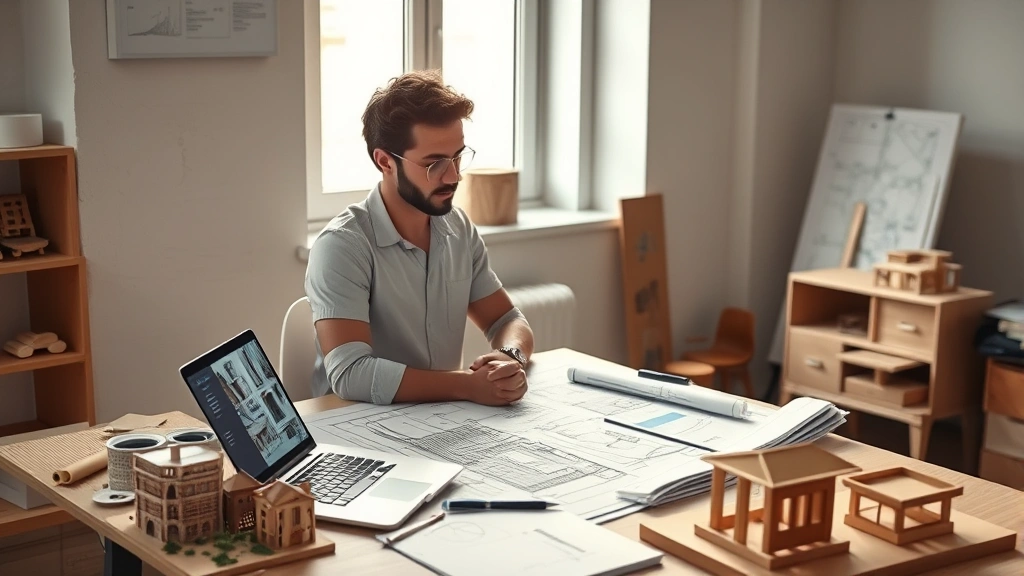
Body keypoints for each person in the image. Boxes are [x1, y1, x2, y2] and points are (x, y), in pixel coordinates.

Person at [304, 70, 534, 407]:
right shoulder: (342, 246)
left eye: (457, 156)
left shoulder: (458, 228)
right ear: (385, 162)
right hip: (356, 426)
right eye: (435, 163)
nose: (454, 175)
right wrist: (467, 386)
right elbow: (350, 373)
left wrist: (510, 357)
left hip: (438, 418)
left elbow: (507, 320)